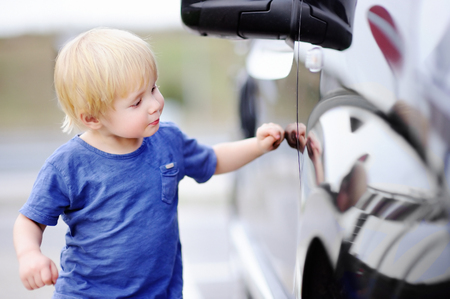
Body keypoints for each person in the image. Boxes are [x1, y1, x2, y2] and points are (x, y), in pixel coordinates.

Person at [13, 28, 285, 298]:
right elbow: (30, 220)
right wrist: (29, 255)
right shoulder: (68, 165)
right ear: (93, 118)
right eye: (137, 102)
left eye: (154, 88)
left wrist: (258, 145)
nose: (155, 104)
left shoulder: (167, 141)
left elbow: (213, 160)